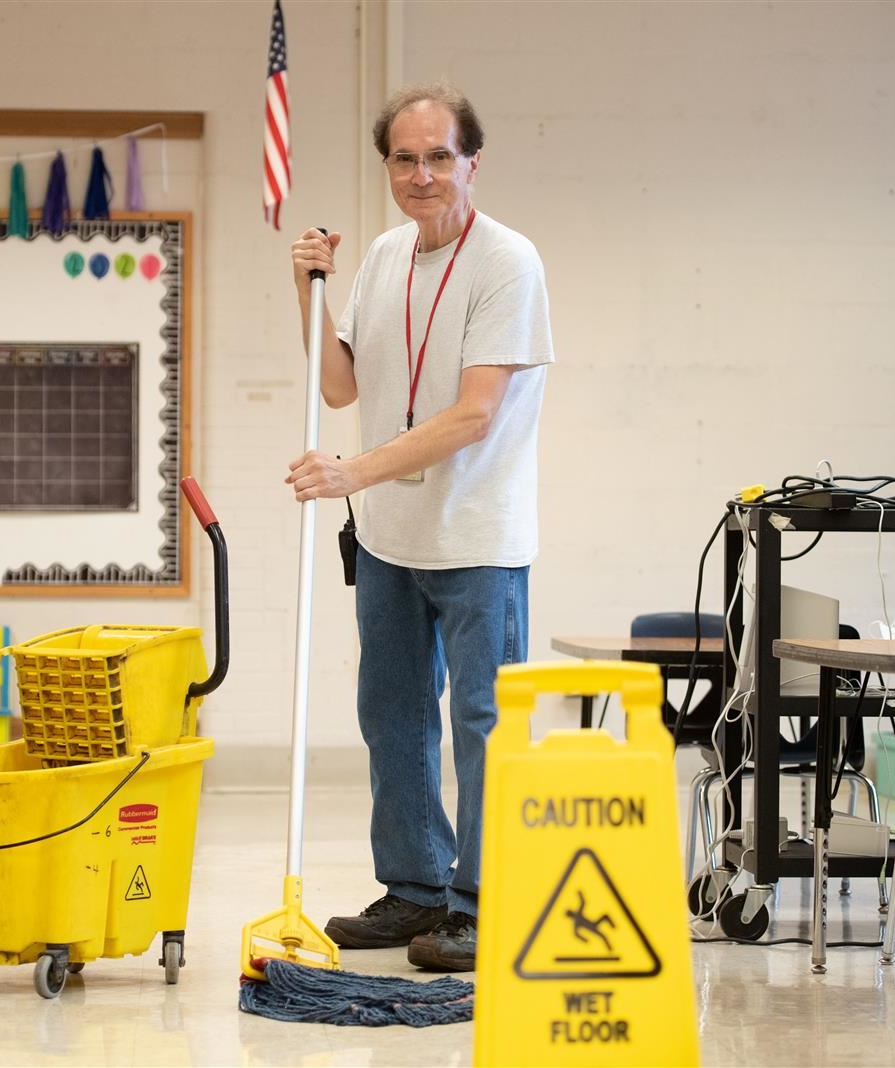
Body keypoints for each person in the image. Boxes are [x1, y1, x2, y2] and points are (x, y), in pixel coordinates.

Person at [285, 83, 554, 972]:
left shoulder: (508, 262)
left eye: (440, 155)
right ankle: (414, 889)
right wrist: (307, 292)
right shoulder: (384, 257)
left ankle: (483, 901)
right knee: (392, 715)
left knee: (482, 722)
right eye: (405, 157)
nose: (422, 173)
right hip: (390, 537)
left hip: (477, 538)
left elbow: (475, 415)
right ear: (387, 168)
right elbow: (338, 387)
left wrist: (349, 472)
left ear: (473, 161)